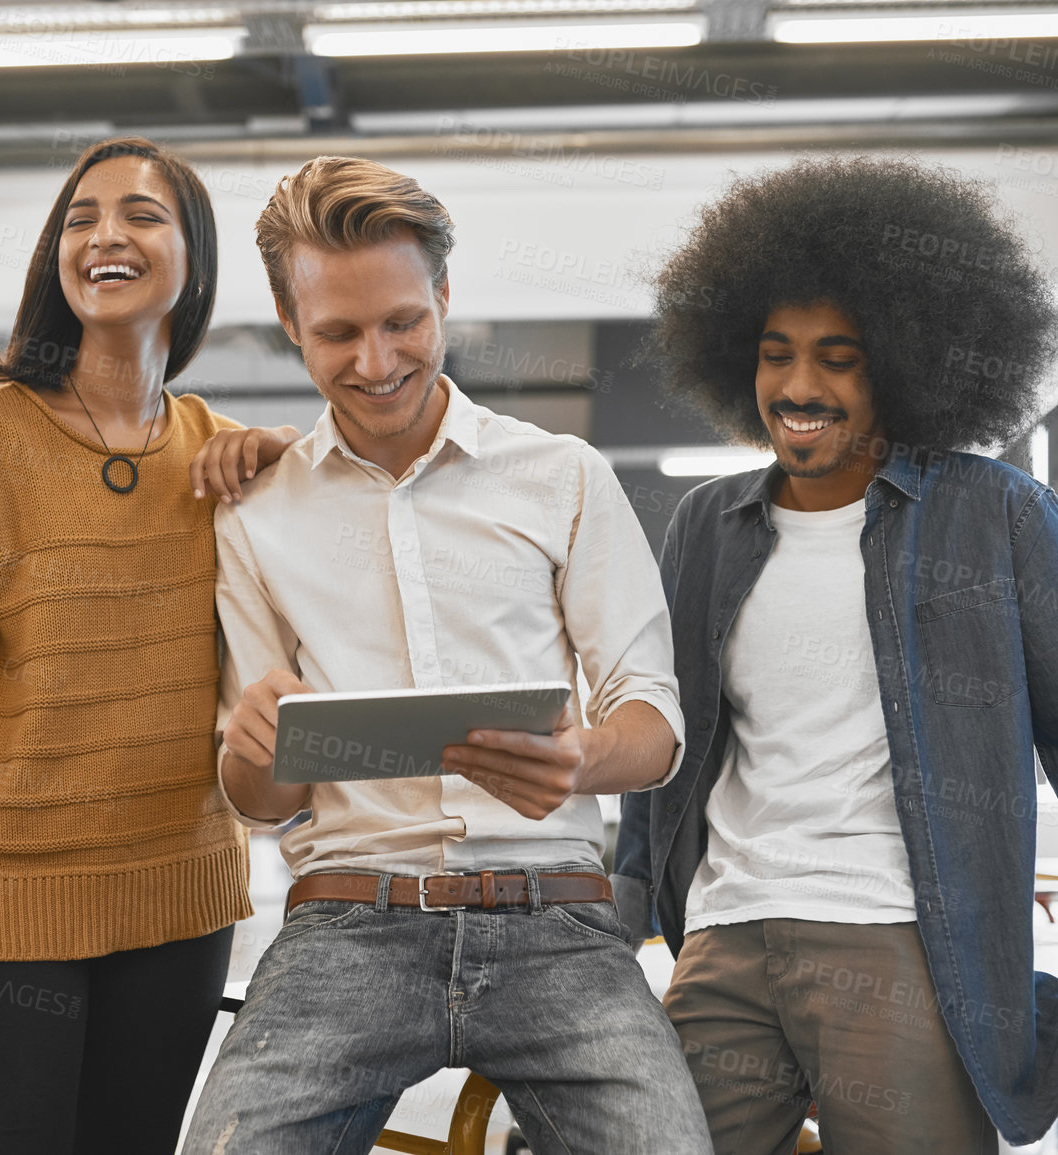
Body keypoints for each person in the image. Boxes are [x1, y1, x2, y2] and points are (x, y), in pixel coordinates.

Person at [611, 156, 1058, 1153]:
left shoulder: (997, 515)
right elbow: (667, 758)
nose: (799, 386)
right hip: (725, 941)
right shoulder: (707, 525)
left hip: (902, 947)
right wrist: (605, 952)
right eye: (776, 354)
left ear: (907, 363)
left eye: (840, 356)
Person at [179, 156, 713, 1155]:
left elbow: (654, 720)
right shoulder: (256, 512)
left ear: (445, 298)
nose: (376, 361)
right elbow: (260, 796)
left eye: (403, 323)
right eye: (336, 332)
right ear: (291, 326)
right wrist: (253, 749)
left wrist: (580, 761)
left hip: (554, 920)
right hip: (348, 923)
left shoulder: (561, 476)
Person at [0, 135, 299, 1154]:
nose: (107, 235)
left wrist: (298, 463)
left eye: (142, 216)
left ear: (191, 259)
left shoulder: (227, 458)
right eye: (81, 218)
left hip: (180, 907)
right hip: (3, 917)